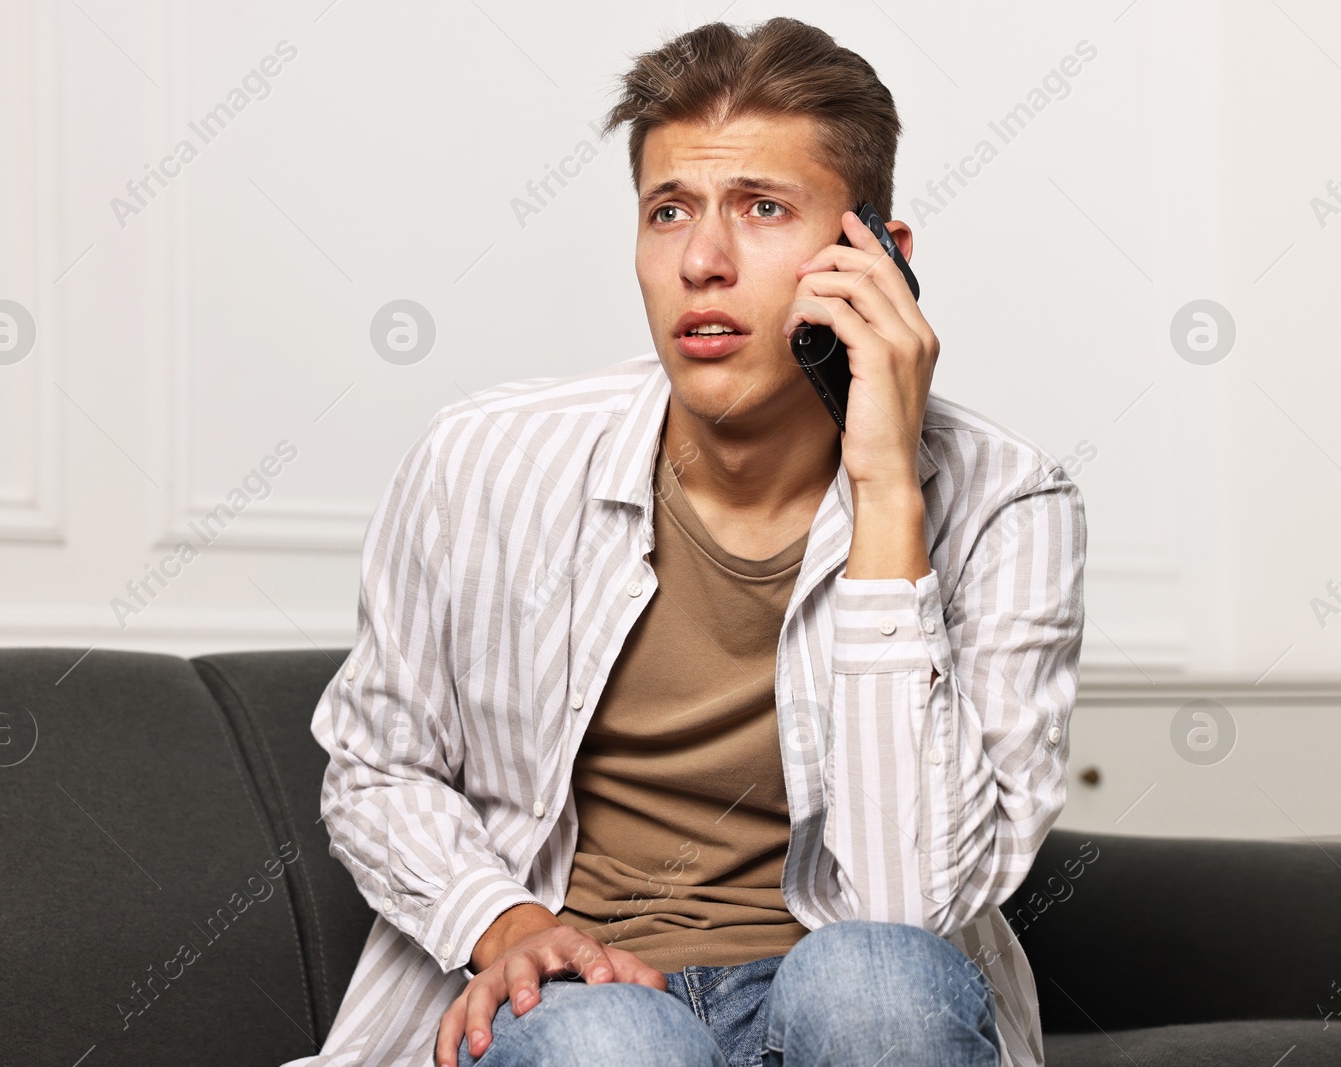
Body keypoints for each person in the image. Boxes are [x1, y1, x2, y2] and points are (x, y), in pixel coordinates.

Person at [286, 16, 1086, 1067]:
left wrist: (887, 489)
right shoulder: (481, 459)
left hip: (838, 1004)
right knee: (614, 1046)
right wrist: (504, 923)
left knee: (875, 980)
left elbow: (909, 903)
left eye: (761, 208)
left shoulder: (1006, 502)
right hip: (588, 999)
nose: (702, 261)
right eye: (669, 211)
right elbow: (376, 765)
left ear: (877, 256)